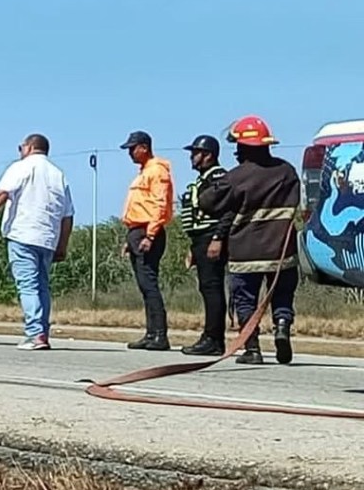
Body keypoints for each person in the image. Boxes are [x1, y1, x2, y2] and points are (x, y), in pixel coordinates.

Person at [196, 115, 300, 366]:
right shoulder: (287, 171)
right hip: (282, 251)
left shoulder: (236, 177)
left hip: (246, 251)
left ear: (243, 147)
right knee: (282, 294)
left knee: (245, 300)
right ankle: (282, 326)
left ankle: (252, 348)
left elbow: (207, 202)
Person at [0, 134, 74, 351]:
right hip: (48, 237)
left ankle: (35, 333)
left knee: (28, 285)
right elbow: (68, 215)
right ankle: (42, 332)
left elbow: (2, 193)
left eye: (21, 147)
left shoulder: (21, 167)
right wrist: (62, 245)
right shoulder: (58, 174)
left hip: (22, 234)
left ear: (30, 147)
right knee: (42, 286)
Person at [119, 130, 174, 351]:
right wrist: (129, 238)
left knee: (150, 284)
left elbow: (160, 205)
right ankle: (151, 333)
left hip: (148, 232)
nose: (130, 153)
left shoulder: (157, 170)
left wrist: (150, 235)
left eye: (133, 148)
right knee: (144, 285)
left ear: (144, 147)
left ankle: (160, 334)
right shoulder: (143, 172)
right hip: (137, 231)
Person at [178, 134, 231, 356]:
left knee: (212, 287)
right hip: (201, 239)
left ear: (208, 155)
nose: (192, 157)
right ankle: (211, 337)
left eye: (195, 153)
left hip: (211, 237)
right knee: (207, 287)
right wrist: (194, 246)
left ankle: (213, 339)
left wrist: (217, 238)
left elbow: (227, 211)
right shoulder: (204, 179)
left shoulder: (218, 177)